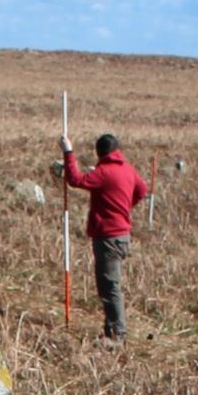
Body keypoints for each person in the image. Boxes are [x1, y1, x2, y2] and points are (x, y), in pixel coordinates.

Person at [59, 131, 150, 342]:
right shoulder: (126, 170)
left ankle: (118, 335)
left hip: (108, 237)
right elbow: (142, 189)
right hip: (123, 235)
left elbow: (74, 179)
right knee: (110, 285)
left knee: (109, 287)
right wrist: (125, 207)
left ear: (99, 153)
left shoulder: (104, 173)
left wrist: (68, 152)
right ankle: (111, 330)